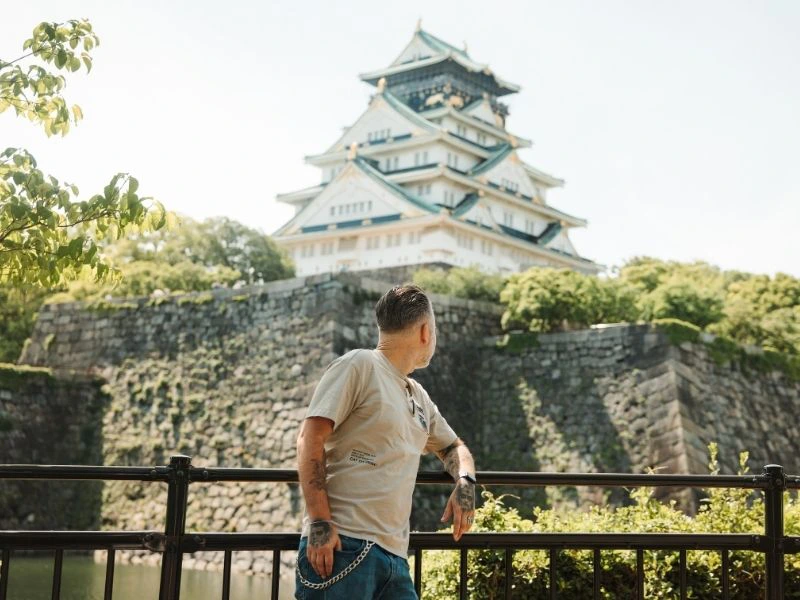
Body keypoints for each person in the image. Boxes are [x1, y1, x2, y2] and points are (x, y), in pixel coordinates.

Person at [295, 284, 476, 599]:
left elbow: (453, 448)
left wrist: (465, 481)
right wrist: (320, 523)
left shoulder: (418, 396)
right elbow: (309, 438)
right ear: (424, 332)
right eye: (434, 331)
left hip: (394, 558)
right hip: (343, 546)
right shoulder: (359, 364)